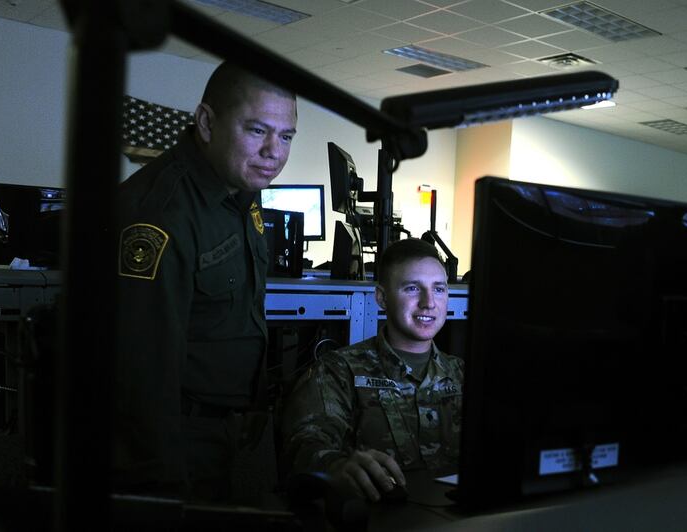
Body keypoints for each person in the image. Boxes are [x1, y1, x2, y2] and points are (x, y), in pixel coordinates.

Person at [114, 62, 298, 502]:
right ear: (207, 123)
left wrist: (254, 400)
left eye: (286, 136)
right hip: (171, 440)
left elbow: (244, 308)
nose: (273, 152)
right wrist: (160, 480)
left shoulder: (241, 193)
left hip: (223, 425)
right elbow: (141, 369)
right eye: (257, 130)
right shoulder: (161, 213)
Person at [281, 238, 464, 502]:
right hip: (377, 514)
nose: (428, 302)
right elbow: (304, 445)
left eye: (439, 289)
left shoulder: (462, 374)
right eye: (412, 288)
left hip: (458, 516)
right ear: (382, 298)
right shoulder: (339, 371)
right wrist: (336, 466)